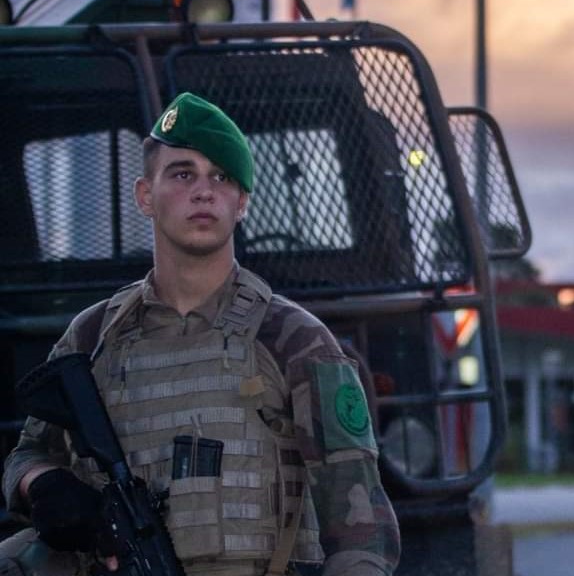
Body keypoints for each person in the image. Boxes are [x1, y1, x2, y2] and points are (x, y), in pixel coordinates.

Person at [0, 93, 400, 576]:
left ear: (243, 202)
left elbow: (360, 527)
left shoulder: (292, 339)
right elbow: (28, 454)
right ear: (146, 195)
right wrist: (42, 485)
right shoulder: (93, 336)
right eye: (183, 174)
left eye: (222, 177)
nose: (205, 191)